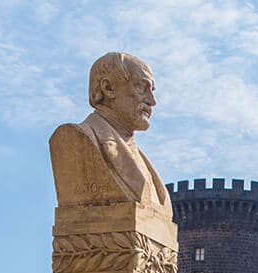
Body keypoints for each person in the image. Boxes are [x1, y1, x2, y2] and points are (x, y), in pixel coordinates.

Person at [50, 52, 172, 212]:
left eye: (152, 90)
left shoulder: (142, 159)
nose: (152, 101)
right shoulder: (73, 139)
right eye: (142, 87)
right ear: (108, 88)